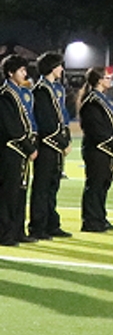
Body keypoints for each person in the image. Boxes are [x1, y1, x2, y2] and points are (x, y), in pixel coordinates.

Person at [30, 51, 72, 239]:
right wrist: (61, 141)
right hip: (47, 144)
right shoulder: (40, 90)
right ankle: (38, 226)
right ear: (52, 68)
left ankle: (51, 223)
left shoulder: (57, 89)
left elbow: (63, 118)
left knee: (53, 185)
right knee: (42, 186)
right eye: (59, 66)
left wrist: (67, 139)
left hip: (57, 145)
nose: (61, 70)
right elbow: (46, 121)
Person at [80, 68, 113, 232]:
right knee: (95, 185)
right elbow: (96, 129)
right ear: (99, 80)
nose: (109, 80)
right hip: (97, 149)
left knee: (103, 184)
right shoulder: (92, 101)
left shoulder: (103, 99)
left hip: (106, 149)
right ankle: (91, 221)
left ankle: (100, 217)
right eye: (106, 77)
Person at [0, 55, 37, 245]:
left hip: (21, 150)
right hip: (11, 149)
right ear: (10, 73)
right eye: (21, 70)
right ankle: (5, 234)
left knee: (21, 190)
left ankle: (18, 230)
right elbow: (11, 127)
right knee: (9, 193)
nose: (25, 73)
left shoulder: (20, 93)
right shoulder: (5, 94)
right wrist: (29, 147)